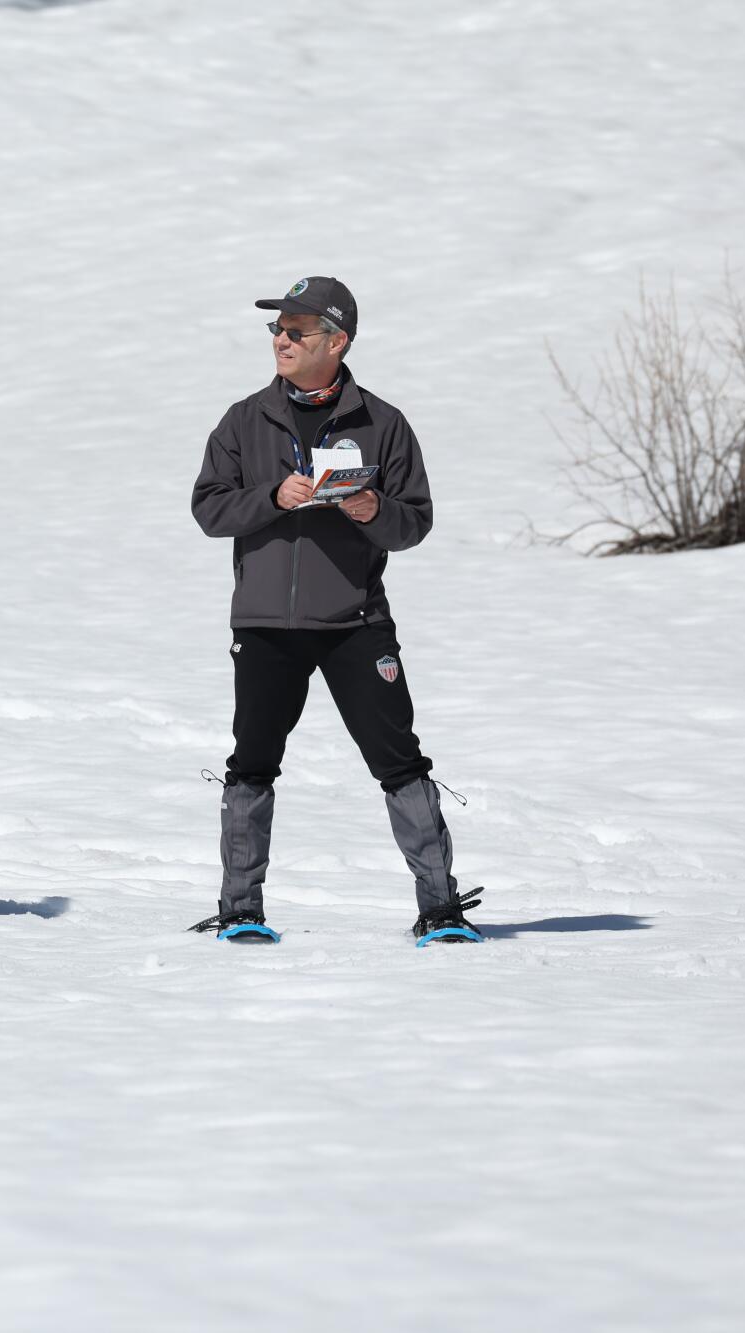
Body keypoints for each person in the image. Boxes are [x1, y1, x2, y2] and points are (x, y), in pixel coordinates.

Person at [189, 278, 481, 945]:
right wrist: (273, 497)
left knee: (399, 760)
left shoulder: (383, 423)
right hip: (264, 623)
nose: (281, 341)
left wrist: (376, 509)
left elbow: (415, 522)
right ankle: (241, 910)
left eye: (295, 330)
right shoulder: (242, 420)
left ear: (337, 340)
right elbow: (210, 507)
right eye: (277, 330)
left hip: (356, 623)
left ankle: (440, 908)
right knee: (252, 761)